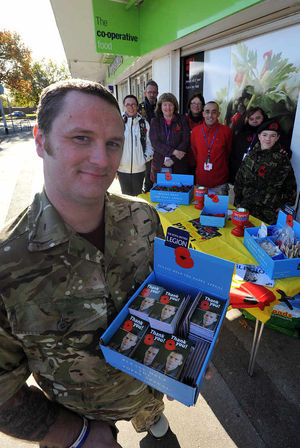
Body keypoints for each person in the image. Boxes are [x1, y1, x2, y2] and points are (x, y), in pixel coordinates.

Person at [0, 79, 170, 448]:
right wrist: (75, 435)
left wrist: (183, 359)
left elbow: (162, 298)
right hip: (77, 427)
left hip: (146, 399)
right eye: (81, 138)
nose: (102, 159)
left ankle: (152, 419)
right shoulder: (7, 265)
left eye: (112, 143)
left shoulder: (144, 220)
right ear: (40, 140)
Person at [234, 119, 297, 224]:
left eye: (272, 135)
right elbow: (239, 179)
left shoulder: (282, 159)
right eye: (265, 135)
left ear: (277, 138)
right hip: (247, 208)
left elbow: (291, 187)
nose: (268, 139)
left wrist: (283, 207)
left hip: (268, 213)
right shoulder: (251, 155)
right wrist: (238, 202)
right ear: (259, 136)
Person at [191, 101, 233, 195]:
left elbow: (228, 153)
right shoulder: (195, 131)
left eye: (214, 112)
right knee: (200, 209)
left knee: (219, 210)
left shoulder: (226, 131)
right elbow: (195, 153)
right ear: (203, 114)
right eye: (207, 111)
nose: (210, 115)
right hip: (201, 181)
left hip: (220, 182)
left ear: (218, 114)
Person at [149, 93, 190, 183]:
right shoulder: (155, 122)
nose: (168, 108)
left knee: (179, 193)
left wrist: (173, 159)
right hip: (160, 165)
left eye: (170, 105)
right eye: (165, 105)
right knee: (161, 194)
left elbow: (186, 140)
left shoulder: (182, 120)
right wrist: (173, 152)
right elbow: (155, 143)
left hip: (179, 164)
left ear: (174, 106)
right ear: (160, 106)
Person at [118, 94, 153, 196]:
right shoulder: (118, 122)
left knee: (137, 198)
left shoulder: (144, 123)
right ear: (124, 106)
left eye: (133, 104)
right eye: (128, 104)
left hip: (139, 169)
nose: (131, 107)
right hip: (122, 169)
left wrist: (144, 158)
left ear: (137, 106)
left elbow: (149, 144)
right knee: (125, 198)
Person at [229, 107, 268, 184]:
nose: (254, 121)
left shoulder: (268, 135)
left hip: (258, 181)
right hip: (239, 178)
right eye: (251, 119)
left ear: (263, 118)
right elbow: (233, 156)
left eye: (258, 118)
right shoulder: (241, 134)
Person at [139, 80, 159, 193]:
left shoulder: (161, 107)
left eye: (154, 92)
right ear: (145, 92)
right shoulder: (139, 108)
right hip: (146, 148)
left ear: (157, 93)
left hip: (160, 148)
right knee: (147, 177)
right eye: (149, 92)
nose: (152, 94)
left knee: (159, 177)